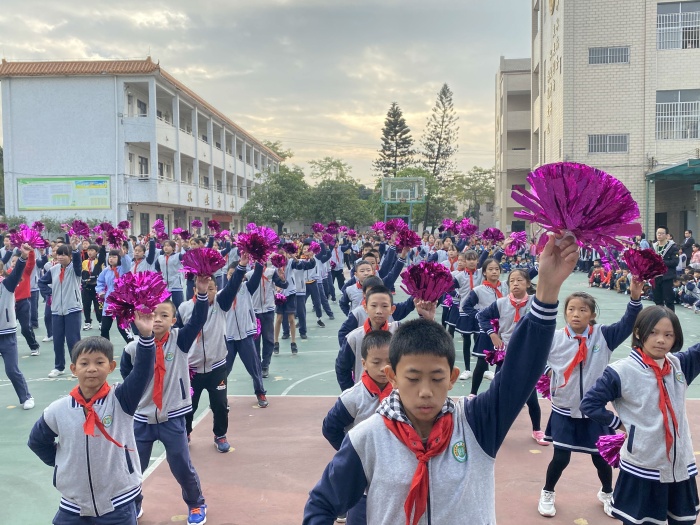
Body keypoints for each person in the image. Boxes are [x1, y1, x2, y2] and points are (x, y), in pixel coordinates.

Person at [303, 233, 579, 524]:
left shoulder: (476, 425)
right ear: (392, 376)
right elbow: (322, 504)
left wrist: (548, 288)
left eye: (436, 378)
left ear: (452, 378)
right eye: (413, 378)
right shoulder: (367, 438)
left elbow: (519, 372)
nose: (425, 391)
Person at [581, 306, 700, 525]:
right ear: (638, 332)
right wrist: (621, 425)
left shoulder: (679, 365)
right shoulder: (621, 371)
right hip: (643, 467)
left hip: (680, 465)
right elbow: (590, 403)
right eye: (653, 332)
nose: (661, 340)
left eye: (668, 335)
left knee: (682, 521)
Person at [537, 281, 643, 518]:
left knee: (601, 458)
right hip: (564, 409)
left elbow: (628, 324)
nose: (576, 314)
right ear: (565, 313)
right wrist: (548, 373)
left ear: (592, 315)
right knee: (561, 457)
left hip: (594, 412)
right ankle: (547, 492)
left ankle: (607, 492)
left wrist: (635, 300)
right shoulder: (555, 338)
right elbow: (537, 358)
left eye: (583, 310)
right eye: (571, 309)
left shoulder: (603, 336)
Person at [28, 331, 155, 525]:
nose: (92, 369)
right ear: (74, 369)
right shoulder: (58, 410)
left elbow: (142, 372)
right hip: (73, 505)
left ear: (111, 366)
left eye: (99, 362)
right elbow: (37, 441)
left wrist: (146, 336)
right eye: (84, 363)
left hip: (117, 503)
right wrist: (63, 462)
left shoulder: (121, 400)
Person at [120, 275, 211, 524]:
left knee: (181, 465)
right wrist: (138, 400)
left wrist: (202, 293)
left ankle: (196, 504)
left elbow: (198, 320)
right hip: (142, 418)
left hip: (173, 416)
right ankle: (134, 504)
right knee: (134, 467)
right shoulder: (133, 348)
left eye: (163, 315)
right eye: (152, 315)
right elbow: (127, 378)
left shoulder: (180, 340)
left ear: (173, 320)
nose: (157, 319)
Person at [322, 330, 393, 524]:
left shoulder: (402, 394)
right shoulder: (353, 398)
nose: (383, 368)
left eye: (389, 361)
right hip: (363, 483)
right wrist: (353, 453)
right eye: (376, 362)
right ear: (364, 364)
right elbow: (330, 427)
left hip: (393, 476)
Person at [180, 265, 245, 452]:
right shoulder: (185, 308)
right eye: (204, 288)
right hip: (192, 369)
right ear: (195, 289)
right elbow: (178, 337)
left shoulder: (220, 304)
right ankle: (185, 433)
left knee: (220, 404)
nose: (208, 292)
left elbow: (233, 286)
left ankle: (220, 435)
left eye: (211, 288)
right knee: (188, 406)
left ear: (216, 289)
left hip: (217, 366)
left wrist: (241, 266)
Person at [476, 269, 544, 443]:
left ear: (527, 283)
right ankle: (493, 427)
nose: (515, 283)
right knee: (498, 392)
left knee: (531, 395)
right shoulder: (501, 303)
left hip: (527, 354)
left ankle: (537, 429)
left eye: (519, 280)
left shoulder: (535, 303)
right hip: (505, 354)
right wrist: (492, 334)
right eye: (512, 281)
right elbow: (481, 316)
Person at [39, 236, 83, 378]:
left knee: (73, 340)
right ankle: (59, 367)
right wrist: (49, 294)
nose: (61, 257)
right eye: (59, 254)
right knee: (57, 340)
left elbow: (78, 263)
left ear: (70, 256)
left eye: (64, 254)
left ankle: (77, 366)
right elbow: (41, 282)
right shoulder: (53, 270)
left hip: (73, 309)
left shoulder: (74, 269)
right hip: (57, 310)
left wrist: (75, 249)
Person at [0, 244, 34, 409]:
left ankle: (26, 397)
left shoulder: (7, 285)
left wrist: (23, 257)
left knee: (11, 369)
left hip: (6, 335)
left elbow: (17, 273)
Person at [96, 248, 134, 343]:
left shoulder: (123, 269)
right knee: (104, 328)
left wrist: (123, 255)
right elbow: (100, 282)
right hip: (109, 301)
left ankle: (132, 346)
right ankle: (105, 347)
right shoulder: (106, 270)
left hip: (122, 301)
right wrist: (101, 292)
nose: (111, 259)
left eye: (114, 257)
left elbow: (127, 264)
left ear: (119, 258)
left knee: (122, 328)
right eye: (110, 257)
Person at [653, 226, 680, 311]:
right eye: (658, 233)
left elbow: (675, 262)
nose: (659, 235)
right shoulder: (653, 246)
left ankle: (671, 318)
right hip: (655, 276)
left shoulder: (673, 247)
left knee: (669, 300)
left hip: (667, 277)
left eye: (662, 233)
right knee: (657, 300)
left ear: (667, 235)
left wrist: (661, 262)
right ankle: (660, 317)